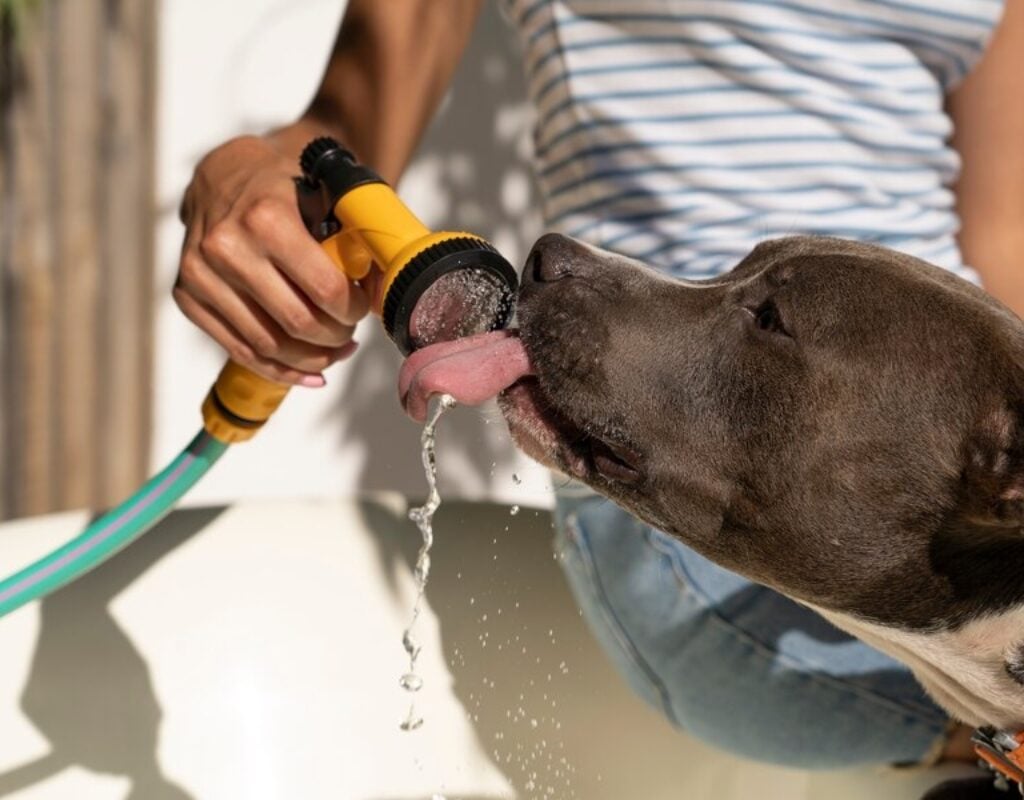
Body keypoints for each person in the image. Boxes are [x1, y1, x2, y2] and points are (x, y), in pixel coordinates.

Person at [174, 0, 1023, 773]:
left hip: (930, 490)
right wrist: (258, 174)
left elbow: (1003, 244)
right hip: (704, 508)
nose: (554, 258)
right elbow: (333, 131)